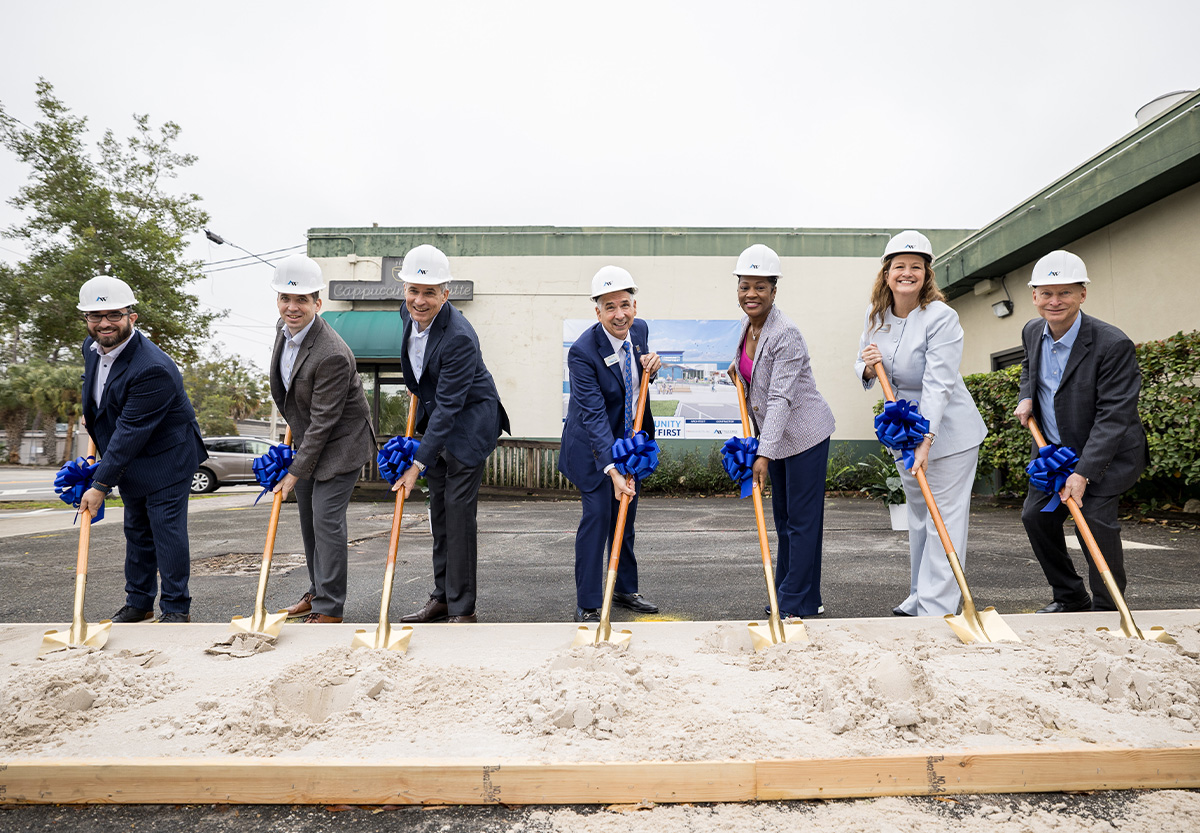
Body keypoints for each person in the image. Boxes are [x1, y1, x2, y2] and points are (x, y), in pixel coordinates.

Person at [856, 230, 987, 617]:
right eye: (899, 266)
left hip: (948, 433)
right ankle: (919, 596)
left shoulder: (942, 317)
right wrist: (868, 366)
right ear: (887, 273)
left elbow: (938, 384)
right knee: (918, 517)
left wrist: (926, 439)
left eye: (916, 266)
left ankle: (938, 607)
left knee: (943, 517)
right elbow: (863, 363)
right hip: (903, 431)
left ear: (927, 274)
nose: (907, 273)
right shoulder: (875, 316)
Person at [1014, 250, 1148, 613]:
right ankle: (1070, 597)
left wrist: (1084, 473)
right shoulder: (1031, 331)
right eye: (1046, 293)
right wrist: (1027, 396)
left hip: (1106, 453)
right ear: (1034, 296)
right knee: (1036, 517)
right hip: (1054, 452)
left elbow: (1114, 416)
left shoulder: (1112, 344)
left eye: (1065, 293)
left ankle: (1108, 608)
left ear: (1082, 294)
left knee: (1094, 520)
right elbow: (1028, 366)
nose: (1055, 301)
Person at [75, 275, 207, 624]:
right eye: (95, 316)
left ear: (131, 317)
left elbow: (131, 432)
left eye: (114, 315)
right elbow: (97, 389)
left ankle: (176, 607)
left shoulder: (152, 368)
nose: (104, 323)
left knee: (165, 530)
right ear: (86, 318)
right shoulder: (91, 347)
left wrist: (99, 486)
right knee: (136, 530)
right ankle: (139, 602)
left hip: (167, 458)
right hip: (132, 458)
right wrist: (92, 414)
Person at [393, 244, 510, 624]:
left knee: (458, 518)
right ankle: (442, 597)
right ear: (405, 290)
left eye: (429, 292)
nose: (419, 300)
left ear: (446, 293)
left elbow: (449, 407)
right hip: (441, 420)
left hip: (469, 425)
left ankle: (462, 609)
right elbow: (424, 377)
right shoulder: (408, 314)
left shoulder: (459, 336)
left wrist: (417, 465)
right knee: (439, 515)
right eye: (414, 290)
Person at [727, 244, 835, 619]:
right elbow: (757, 374)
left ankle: (789, 602)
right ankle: (803, 598)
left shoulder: (785, 334)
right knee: (785, 522)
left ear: (774, 290)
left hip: (804, 435)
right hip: (777, 438)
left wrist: (763, 452)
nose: (751, 294)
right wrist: (739, 373)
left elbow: (780, 398)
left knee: (802, 522)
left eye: (760, 287)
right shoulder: (749, 326)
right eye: (745, 286)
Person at [269, 254, 376, 624]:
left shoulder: (331, 353)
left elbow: (325, 421)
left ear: (317, 303)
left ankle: (330, 608)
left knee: (326, 520)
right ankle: (317, 591)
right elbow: (290, 393)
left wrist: (294, 473)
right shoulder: (283, 330)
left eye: (301, 300)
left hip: (342, 442)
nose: (292, 307)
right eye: (285, 298)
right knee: (308, 520)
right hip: (310, 437)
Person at [559, 266, 663, 623]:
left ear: (634, 306)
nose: (619, 315)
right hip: (592, 448)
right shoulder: (582, 352)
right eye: (609, 307)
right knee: (599, 516)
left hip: (629, 443)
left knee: (625, 514)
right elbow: (594, 416)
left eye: (625, 305)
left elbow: (636, 381)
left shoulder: (640, 331)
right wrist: (612, 468)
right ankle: (589, 602)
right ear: (598, 311)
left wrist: (651, 368)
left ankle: (624, 588)